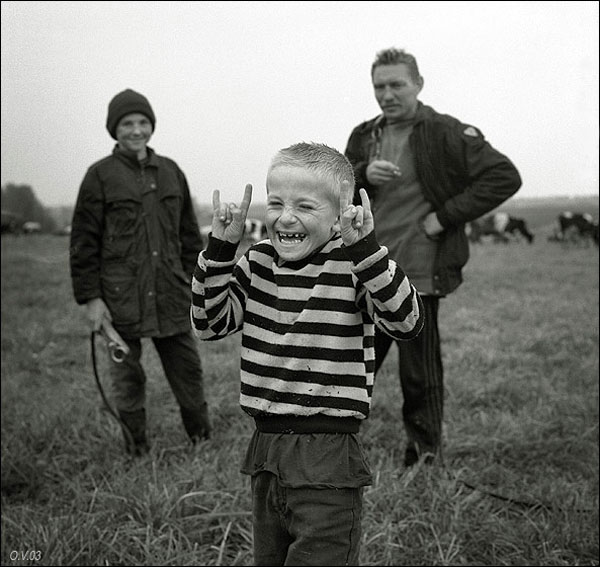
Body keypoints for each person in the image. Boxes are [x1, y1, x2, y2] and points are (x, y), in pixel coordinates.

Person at [191, 142, 424, 566]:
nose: (285, 216)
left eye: (304, 206)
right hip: (265, 448)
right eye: (275, 202)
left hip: (328, 454)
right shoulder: (257, 262)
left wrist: (367, 252)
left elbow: (407, 321)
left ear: (341, 214)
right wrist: (221, 251)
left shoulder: (354, 265)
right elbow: (209, 323)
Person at [344, 47, 522, 467]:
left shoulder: (445, 132)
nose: (387, 94)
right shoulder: (363, 135)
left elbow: (504, 176)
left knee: (419, 373)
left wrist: (444, 217)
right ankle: (335, 448)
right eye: (379, 87)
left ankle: (424, 456)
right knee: (350, 366)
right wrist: (362, 173)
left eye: (396, 85)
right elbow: (334, 185)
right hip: (365, 268)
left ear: (419, 84)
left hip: (419, 274)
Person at [70, 88, 211, 456]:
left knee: (188, 371)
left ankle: (201, 440)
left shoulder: (171, 172)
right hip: (119, 300)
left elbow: (189, 236)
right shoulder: (98, 176)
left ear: (152, 126)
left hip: (171, 293)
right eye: (127, 123)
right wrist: (91, 299)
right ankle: (136, 449)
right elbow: (83, 243)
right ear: (114, 129)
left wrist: (196, 284)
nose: (136, 130)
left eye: (142, 122)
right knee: (127, 378)